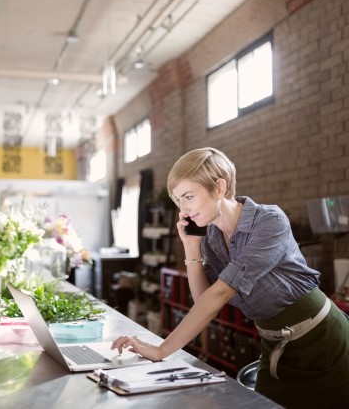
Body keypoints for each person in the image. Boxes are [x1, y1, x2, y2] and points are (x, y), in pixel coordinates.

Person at [112, 147, 349, 408]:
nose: (184, 209)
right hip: (275, 345)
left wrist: (161, 350)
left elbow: (221, 293)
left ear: (219, 188)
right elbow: (204, 300)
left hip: (323, 341)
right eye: (178, 200)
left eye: (189, 196)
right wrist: (191, 247)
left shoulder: (269, 221)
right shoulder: (212, 237)